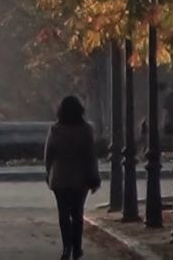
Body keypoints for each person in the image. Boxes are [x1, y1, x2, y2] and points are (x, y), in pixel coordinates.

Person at [44, 95, 101, 260]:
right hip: (80, 177)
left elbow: (48, 154)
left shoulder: (55, 129)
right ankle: (77, 247)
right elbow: (91, 155)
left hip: (60, 176)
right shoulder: (85, 130)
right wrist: (94, 176)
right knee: (77, 214)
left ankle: (66, 248)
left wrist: (49, 172)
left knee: (63, 214)